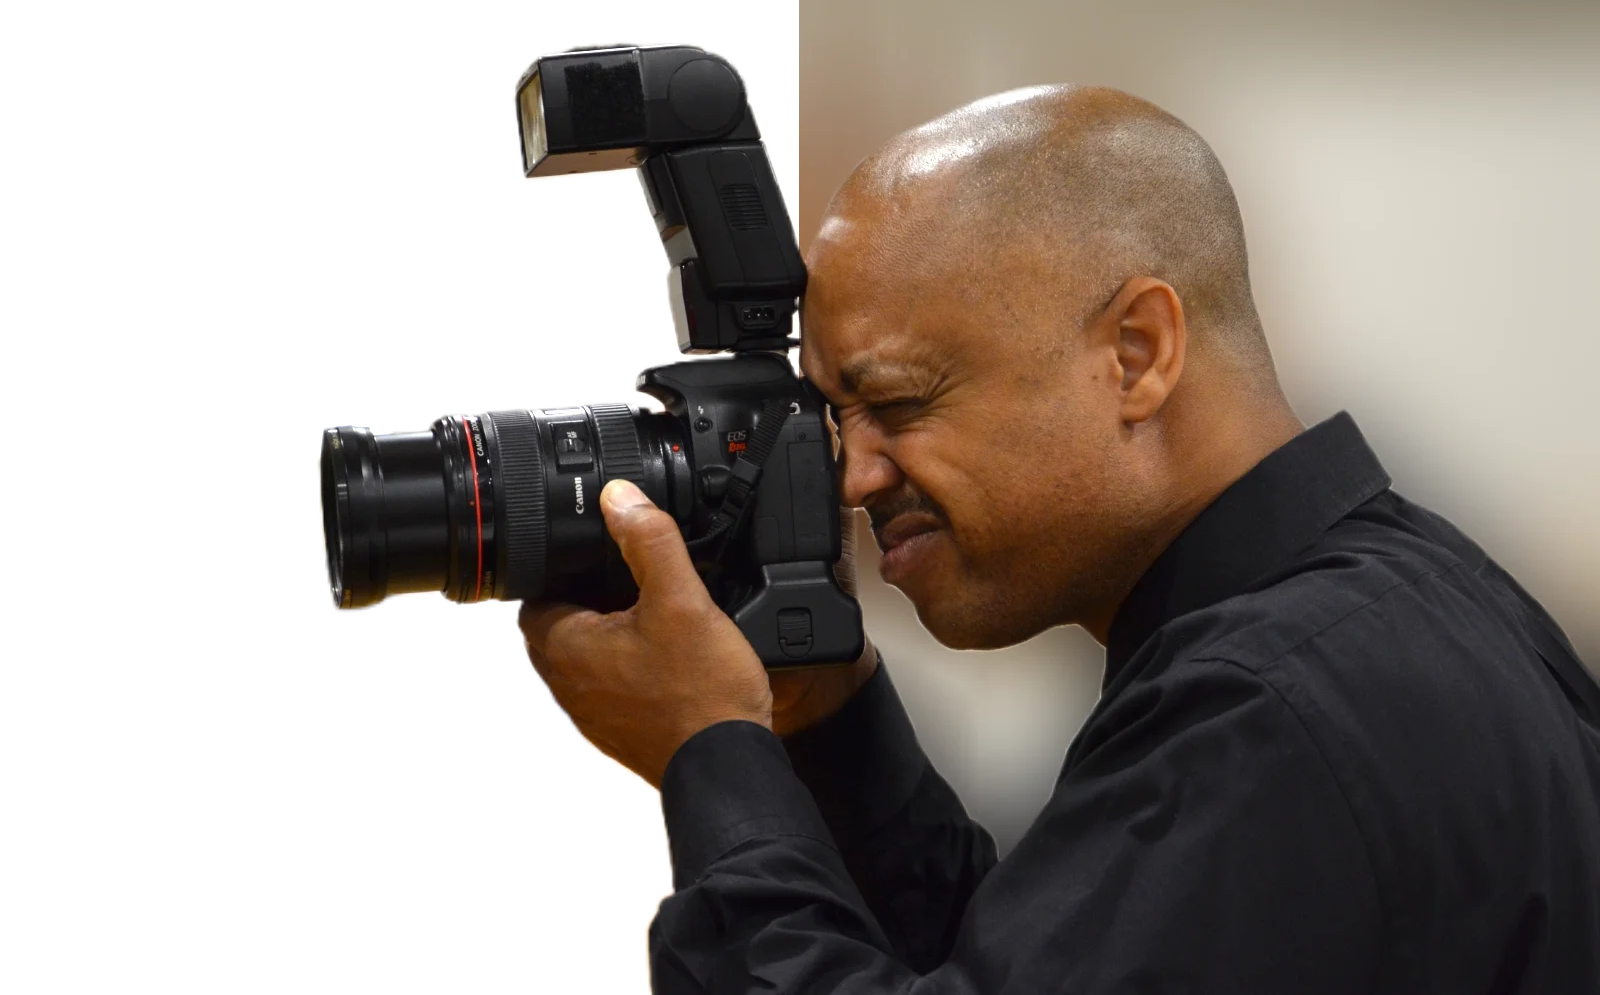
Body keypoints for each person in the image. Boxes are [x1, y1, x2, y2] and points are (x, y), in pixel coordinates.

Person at [519, 85, 1600, 992]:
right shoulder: (1400, 605)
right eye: (832, 421)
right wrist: (825, 721)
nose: (850, 473)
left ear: (1137, 351)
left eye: (896, 401)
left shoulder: (1268, 709)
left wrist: (708, 753)